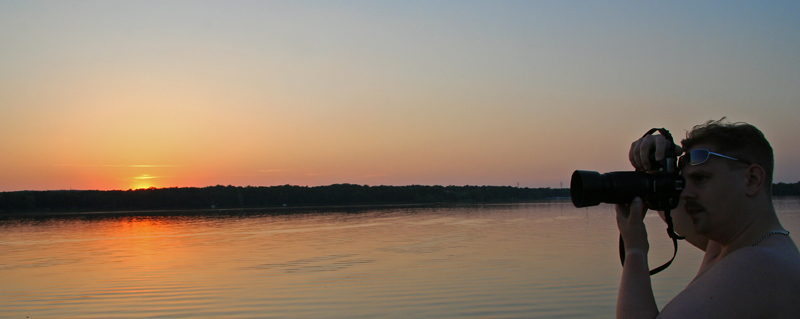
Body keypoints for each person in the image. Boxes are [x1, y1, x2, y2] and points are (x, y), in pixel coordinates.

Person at [615, 119, 800, 319]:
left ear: (752, 179)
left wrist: (634, 251)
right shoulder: (729, 244)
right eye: (683, 182)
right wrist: (655, 167)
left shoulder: (756, 265)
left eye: (700, 178)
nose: (684, 193)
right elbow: (670, 207)